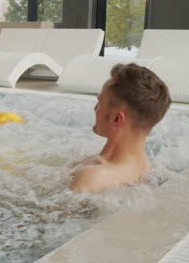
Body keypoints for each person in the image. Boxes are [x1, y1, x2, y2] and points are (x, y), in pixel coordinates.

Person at [70, 63, 171, 193]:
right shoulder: (148, 168)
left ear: (117, 119)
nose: (95, 109)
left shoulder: (91, 178)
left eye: (100, 102)